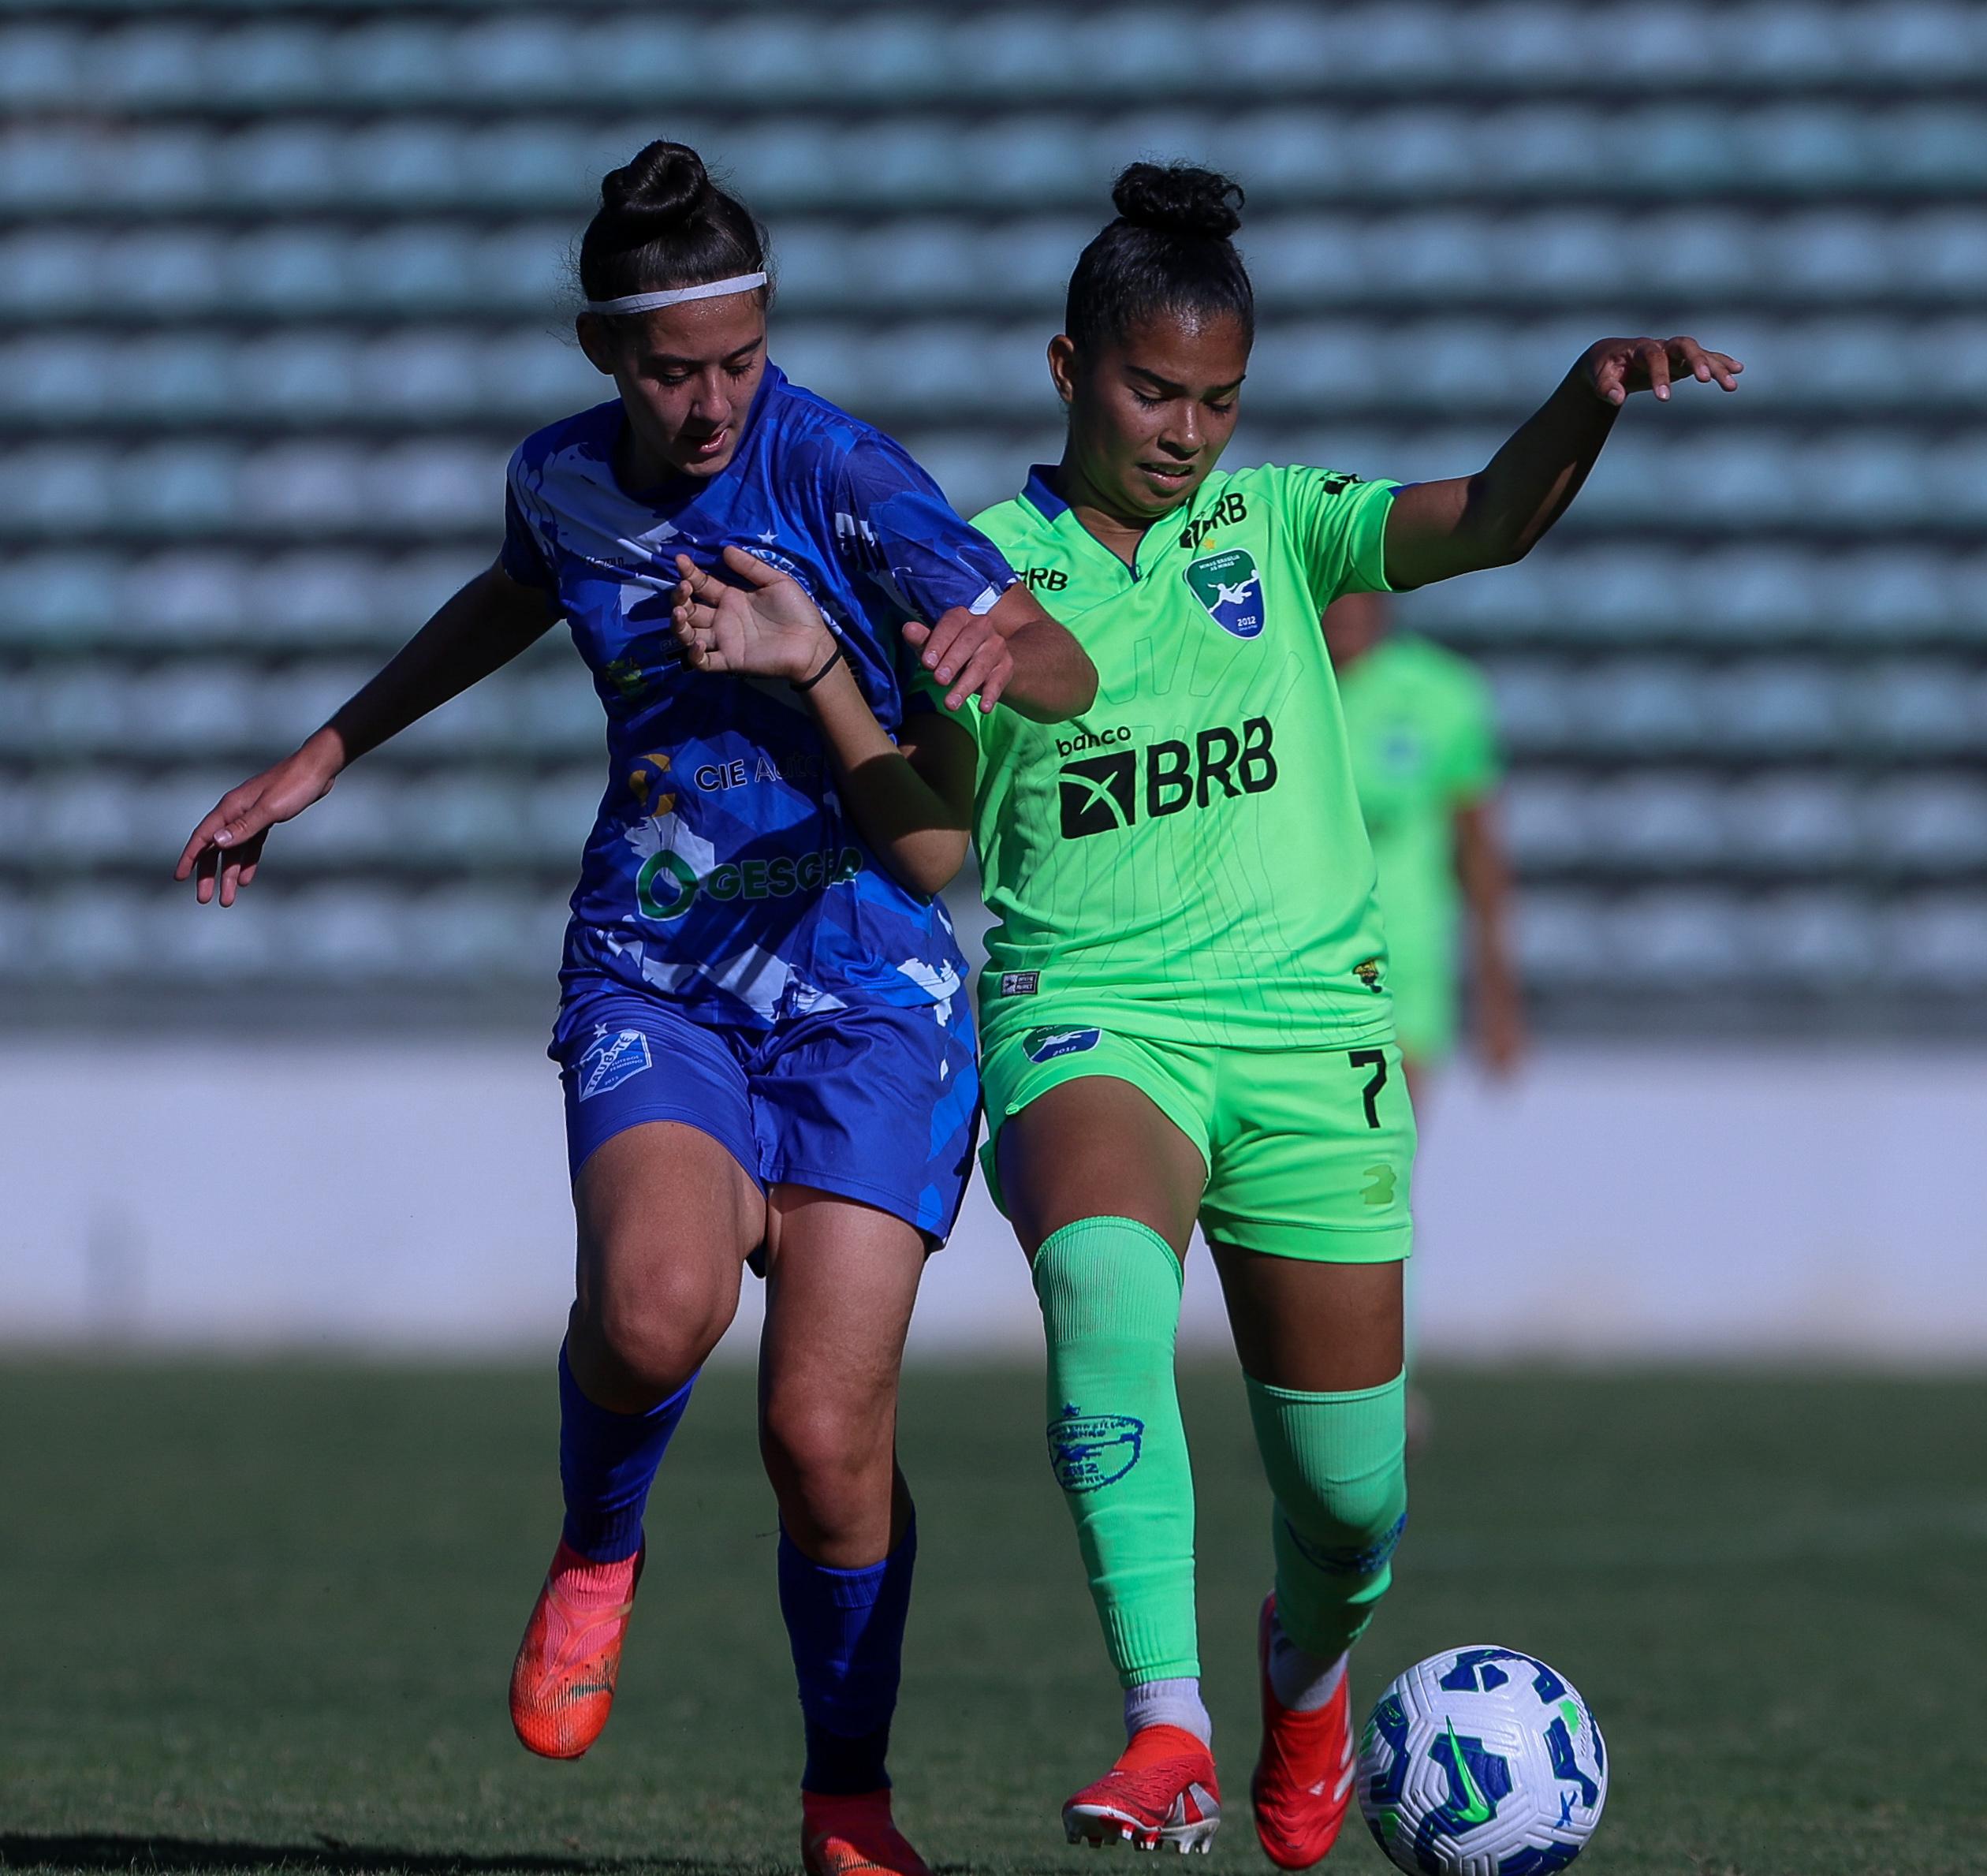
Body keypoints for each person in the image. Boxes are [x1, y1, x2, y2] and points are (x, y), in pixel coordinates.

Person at [678, 160, 1739, 1865]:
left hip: (1312, 1026)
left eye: (1218, 398)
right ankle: (1166, 1720)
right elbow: (937, 846)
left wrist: (1586, 398)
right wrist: (837, 682)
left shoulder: (1280, 524)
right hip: (1091, 1010)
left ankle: (1304, 1662)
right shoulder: (974, 567)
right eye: (1152, 391)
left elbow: (1491, 519)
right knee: (1103, 1279)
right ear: (1068, 368)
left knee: (1352, 1495)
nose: (1186, 433)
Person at [174, 140, 1094, 1876]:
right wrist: (323, 755)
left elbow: (1052, 657)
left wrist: (987, 648)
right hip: (659, 962)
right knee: (660, 1304)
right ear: (605, 353)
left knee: (823, 1438)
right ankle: (601, 1539)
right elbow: (508, 594)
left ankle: (846, 1795)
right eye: (674, 369)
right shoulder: (560, 480)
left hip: (868, 991)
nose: (713, 400)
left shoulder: (840, 475)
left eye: (740, 358)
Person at [1324, 590, 1524, 1102]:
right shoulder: (1272, 682)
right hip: (1287, 955)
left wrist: (1498, 999)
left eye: (1357, 592)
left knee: (1386, 1143)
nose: (1345, 609)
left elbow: (1478, 850)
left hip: (1403, 960)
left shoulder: (1443, 694)